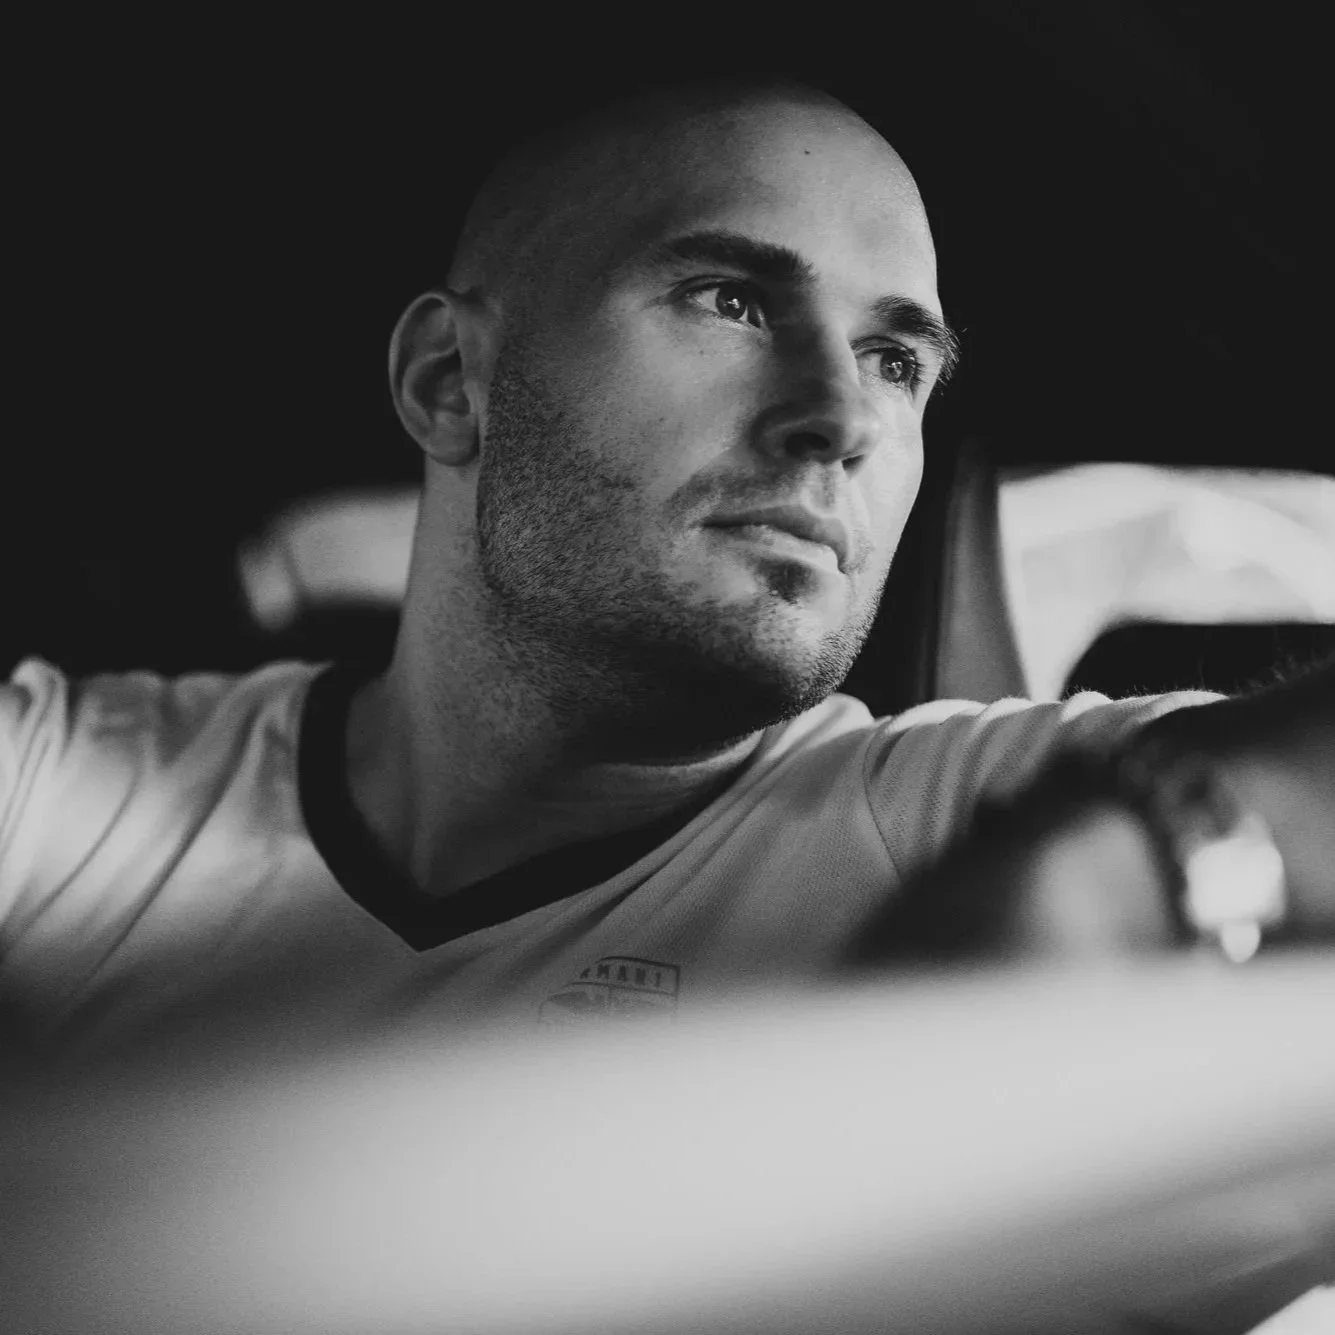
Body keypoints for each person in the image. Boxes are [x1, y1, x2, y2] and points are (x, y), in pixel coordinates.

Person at [0, 74, 1330, 1055]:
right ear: (450, 379)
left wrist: (1129, 866)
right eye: (730, 301)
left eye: (895, 360)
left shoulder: (963, 825)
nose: (844, 417)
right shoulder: (59, 793)